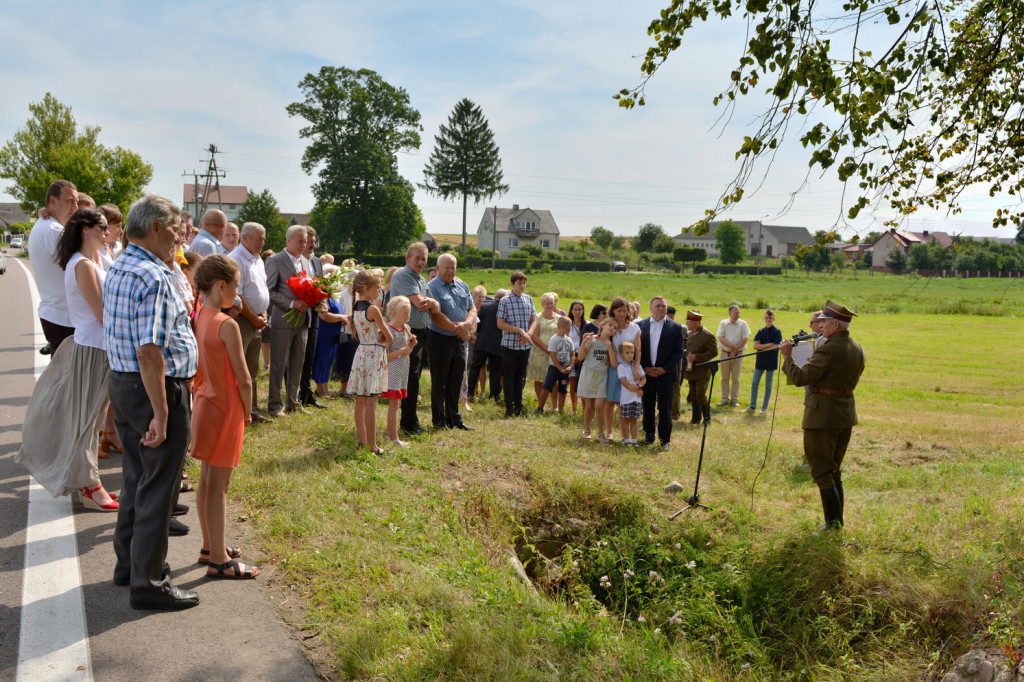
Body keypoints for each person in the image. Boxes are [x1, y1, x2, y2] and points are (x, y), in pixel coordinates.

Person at [104, 193, 200, 610]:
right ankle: (150, 582)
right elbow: (150, 351)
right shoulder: (154, 274)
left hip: (124, 383)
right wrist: (162, 412)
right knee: (159, 486)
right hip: (153, 387)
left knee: (136, 478)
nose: (179, 236)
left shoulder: (123, 265)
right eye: (176, 228)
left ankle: (128, 565)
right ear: (156, 227)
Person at [17, 208, 119, 509]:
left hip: (101, 348)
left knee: (94, 420)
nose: (106, 230)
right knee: (86, 421)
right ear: (84, 230)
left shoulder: (101, 258)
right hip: (91, 349)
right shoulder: (82, 264)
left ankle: (89, 482)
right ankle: (89, 487)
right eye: (101, 225)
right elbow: (102, 314)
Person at [189, 255, 259, 579]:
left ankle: (209, 545)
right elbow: (244, 378)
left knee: (206, 480)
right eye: (236, 286)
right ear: (221, 286)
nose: (238, 293)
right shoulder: (228, 324)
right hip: (226, 407)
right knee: (219, 486)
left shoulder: (201, 316)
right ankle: (218, 558)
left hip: (205, 404)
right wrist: (247, 412)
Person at [780, 300, 865, 529]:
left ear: (836, 324)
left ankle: (832, 525)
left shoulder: (829, 348)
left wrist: (788, 357)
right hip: (844, 414)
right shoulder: (856, 346)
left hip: (822, 417)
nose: (820, 326)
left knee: (822, 471)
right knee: (834, 471)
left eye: (824, 321)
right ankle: (837, 523)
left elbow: (799, 378)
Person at [390, 242, 439, 436]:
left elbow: (434, 305)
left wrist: (433, 303)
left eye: (424, 259)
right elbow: (421, 304)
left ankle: (410, 421)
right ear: (407, 259)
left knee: (414, 378)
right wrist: (432, 303)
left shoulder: (420, 280)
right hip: (408, 334)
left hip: (419, 333)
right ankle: (408, 424)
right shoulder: (403, 276)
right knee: (410, 379)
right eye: (417, 258)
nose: (420, 262)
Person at [426, 253, 477, 430]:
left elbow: (472, 308)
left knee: (456, 380)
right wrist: (459, 329)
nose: (450, 271)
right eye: (447, 267)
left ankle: (455, 418)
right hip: (440, 338)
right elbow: (436, 316)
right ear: (438, 268)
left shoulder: (462, 285)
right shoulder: (432, 287)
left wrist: (467, 324)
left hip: (460, 340)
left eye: (453, 267)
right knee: (440, 381)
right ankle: (439, 420)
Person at [28, 180, 79, 352]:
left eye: (77, 202)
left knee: (63, 374)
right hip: (63, 317)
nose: (75, 207)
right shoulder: (54, 230)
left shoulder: (48, 225)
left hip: (59, 314)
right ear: (52, 201)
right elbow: (81, 269)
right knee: (66, 376)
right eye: (69, 201)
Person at [265, 225, 311, 416]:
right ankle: (275, 405)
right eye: (300, 241)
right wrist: (291, 304)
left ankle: (292, 401)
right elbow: (268, 291)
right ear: (289, 240)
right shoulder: (275, 260)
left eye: (305, 241)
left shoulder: (306, 262)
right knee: (279, 364)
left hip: (303, 321)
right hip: (283, 320)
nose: (304, 245)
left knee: (297, 362)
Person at [228, 222, 271, 422]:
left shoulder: (257, 260)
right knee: (239, 368)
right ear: (244, 238)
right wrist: (254, 318)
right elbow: (238, 296)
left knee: (252, 368)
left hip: (257, 320)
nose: (262, 242)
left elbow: (261, 289)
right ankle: (238, 412)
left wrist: (262, 314)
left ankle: (251, 411)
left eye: (263, 239)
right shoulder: (236, 259)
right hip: (243, 321)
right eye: (258, 238)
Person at [348, 270, 393, 453]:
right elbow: (389, 336)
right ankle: (372, 445)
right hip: (374, 354)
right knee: (371, 404)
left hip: (362, 353)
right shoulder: (373, 309)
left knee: (360, 401)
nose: (380, 289)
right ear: (367, 288)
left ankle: (362, 440)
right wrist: (384, 334)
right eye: (377, 287)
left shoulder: (356, 306)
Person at [638, 296, 685, 450]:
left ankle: (665, 439)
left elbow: (679, 352)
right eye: (657, 306)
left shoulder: (676, 327)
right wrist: (644, 368)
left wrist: (664, 368)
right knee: (648, 406)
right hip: (647, 374)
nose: (661, 309)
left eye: (663, 306)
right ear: (651, 308)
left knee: (665, 409)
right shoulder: (640, 326)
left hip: (666, 374)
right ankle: (649, 435)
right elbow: (637, 350)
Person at [496, 271, 535, 418]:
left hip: (524, 345)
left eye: (524, 283)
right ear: (513, 284)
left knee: (521, 377)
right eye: (519, 283)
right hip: (509, 345)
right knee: (509, 377)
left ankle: (519, 406)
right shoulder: (505, 301)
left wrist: (528, 334)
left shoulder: (528, 299)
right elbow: (500, 323)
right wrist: (519, 330)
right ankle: (509, 407)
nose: (522, 286)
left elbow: (533, 320)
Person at [605, 297, 643, 441]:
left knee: (624, 403)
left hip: (628, 369)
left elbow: (638, 349)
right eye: (618, 310)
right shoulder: (609, 325)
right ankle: (609, 432)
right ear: (613, 311)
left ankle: (624, 435)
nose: (621, 313)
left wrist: (636, 368)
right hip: (613, 367)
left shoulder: (634, 328)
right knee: (609, 402)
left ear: (628, 311)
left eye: (624, 310)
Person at [576, 318, 618, 443]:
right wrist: (584, 343)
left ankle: (601, 432)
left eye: (615, 328)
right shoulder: (592, 339)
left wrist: (610, 348)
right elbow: (580, 357)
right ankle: (587, 430)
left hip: (601, 376)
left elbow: (614, 364)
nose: (612, 328)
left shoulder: (611, 344)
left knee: (599, 405)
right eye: (610, 325)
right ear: (603, 325)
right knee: (589, 405)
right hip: (588, 373)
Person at [298, 226, 326, 408]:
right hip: (298, 313)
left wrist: (323, 296)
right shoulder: (296, 261)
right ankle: (294, 393)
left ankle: (306, 394)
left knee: (309, 355)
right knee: (296, 357)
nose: (312, 245)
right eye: (308, 241)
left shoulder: (316, 262)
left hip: (314, 315)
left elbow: (322, 285)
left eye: (314, 241)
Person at [383, 296, 417, 447]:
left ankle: (392, 434)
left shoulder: (406, 328)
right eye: (405, 313)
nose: (407, 316)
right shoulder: (389, 331)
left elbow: (407, 352)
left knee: (397, 404)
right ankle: (393, 437)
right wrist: (402, 350)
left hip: (402, 371)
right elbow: (384, 356)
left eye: (409, 313)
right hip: (392, 371)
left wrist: (410, 346)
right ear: (394, 313)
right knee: (394, 404)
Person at [310, 267, 349, 399]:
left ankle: (325, 389)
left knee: (328, 360)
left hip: (333, 332)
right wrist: (341, 318)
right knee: (322, 359)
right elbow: (324, 315)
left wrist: (340, 319)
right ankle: (320, 390)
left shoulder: (331, 294)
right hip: (325, 333)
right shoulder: (323, 295)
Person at [467, 289, 506, 404]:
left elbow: (477, 325)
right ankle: (494, 396)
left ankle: (470, 393)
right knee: (495, 371)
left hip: (482, 342)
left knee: (475, 368)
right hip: (497, 344)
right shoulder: (505, 308)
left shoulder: (485, 306)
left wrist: (477, 335)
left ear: (495, 297)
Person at [683, 310, 718, 425]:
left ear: (696, 323)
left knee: (700, 394)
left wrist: (697, 357)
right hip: (691, 370)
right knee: (693, 394)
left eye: (688, 321)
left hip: (703, 370)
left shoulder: (707, 336)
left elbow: (714, 352)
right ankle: (695, 418)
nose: (687, 324)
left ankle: (707, 418)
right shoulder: (691, 334)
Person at [528, 292, 562, 411]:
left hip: (554, 354)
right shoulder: (538, 317)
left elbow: (561, 334)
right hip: (539, 352)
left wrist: (554, 349)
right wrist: (546, 348)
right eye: (547, 303)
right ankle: (541, 404)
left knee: (554, 379)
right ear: (542, 304)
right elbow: (534, 335)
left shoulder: (559, 318)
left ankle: (554, 406)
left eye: (551, 303)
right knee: (539, 379)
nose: (549, 305)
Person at [747, 309, 783, 415]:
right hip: (760, 361)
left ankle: (764, 408)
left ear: (774, 319)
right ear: (764, 318)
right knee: (754, 382)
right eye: (766, 318)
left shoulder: (777, 332)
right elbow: (755, 346)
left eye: (770, 318)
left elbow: (777, 347)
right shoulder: (761, 331)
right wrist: (769, 345)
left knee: (768, 385)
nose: (768, 320)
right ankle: (752, 406)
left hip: (771, 362)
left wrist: (762, 347)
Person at [716, 305, 750, 407]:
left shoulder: (743, 324)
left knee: (736, 378)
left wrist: (735, 351)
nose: (738, 315)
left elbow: (745, 338)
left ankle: (734, 399)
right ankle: (724, 399)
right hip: (725, 354)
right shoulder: (723, 323)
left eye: (739, 312)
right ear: (730, 313)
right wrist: (732, 347)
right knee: (724, 378)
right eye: (736, 313)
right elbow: (721, 338)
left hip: (738, 355)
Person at [539, 315, 573, 413]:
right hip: (554, 368)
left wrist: (570, 366)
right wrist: (560, 369)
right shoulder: (554, 339)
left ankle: (560, 411)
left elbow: (572, 355)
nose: (570, 328)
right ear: (562, 326)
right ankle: (540, 408)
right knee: (546, 387)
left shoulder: (569, 340)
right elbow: (553, 356)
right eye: (569, 326)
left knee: (563, 390)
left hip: (565, 369)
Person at [617, 341, 645, 447]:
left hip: (636, 398)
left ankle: (634, 440)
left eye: (632, 352)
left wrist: (639, 387)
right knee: (625, 419)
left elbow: (644, 379)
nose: (630, 355)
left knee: (634, 419)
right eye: (627, 352)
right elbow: (624, 382)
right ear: (621, 354)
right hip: (626, 397)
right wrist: (636, 390)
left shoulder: (637, 366)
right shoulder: (621, 367)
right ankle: (626, 439)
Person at [566, 300, 588, 413]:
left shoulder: (587, 325)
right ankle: (574, 408)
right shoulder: (568, 324)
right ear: (571, 311)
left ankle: (585, 409)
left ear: (583, 310)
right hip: (572, 355)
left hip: (584, 356)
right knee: (573, 382)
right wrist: (573, 356)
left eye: (580, 309)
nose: (577, 312)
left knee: (583, 383)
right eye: (575, 309)